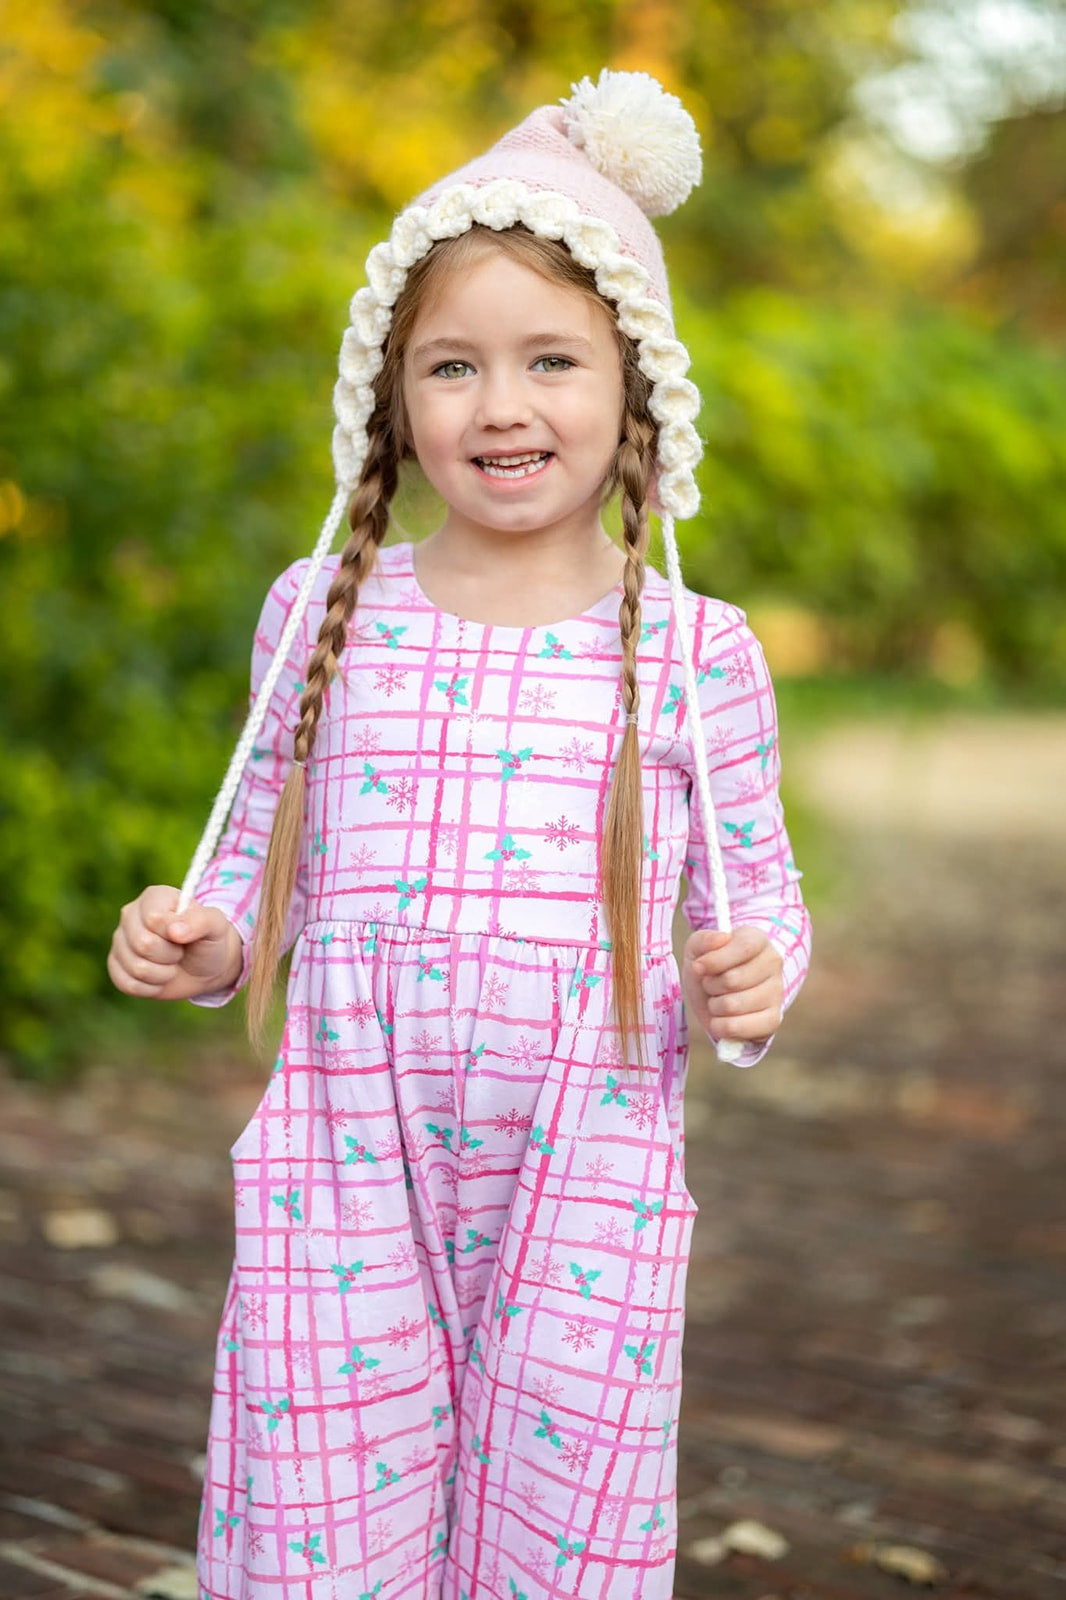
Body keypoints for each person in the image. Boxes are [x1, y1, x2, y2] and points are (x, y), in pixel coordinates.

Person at [108, 67, 810, 1600]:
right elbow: (253, 865)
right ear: (391, 400)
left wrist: (755, 976)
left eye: (551, 360)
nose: (502, 406)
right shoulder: (321, 618)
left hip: (590, 1156)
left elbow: (759, 897)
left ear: (632, 389)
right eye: (452, 368)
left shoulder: (692, 651)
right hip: (343, 1147)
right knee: (317, 1498)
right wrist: (205, 937)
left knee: (561, 1508)